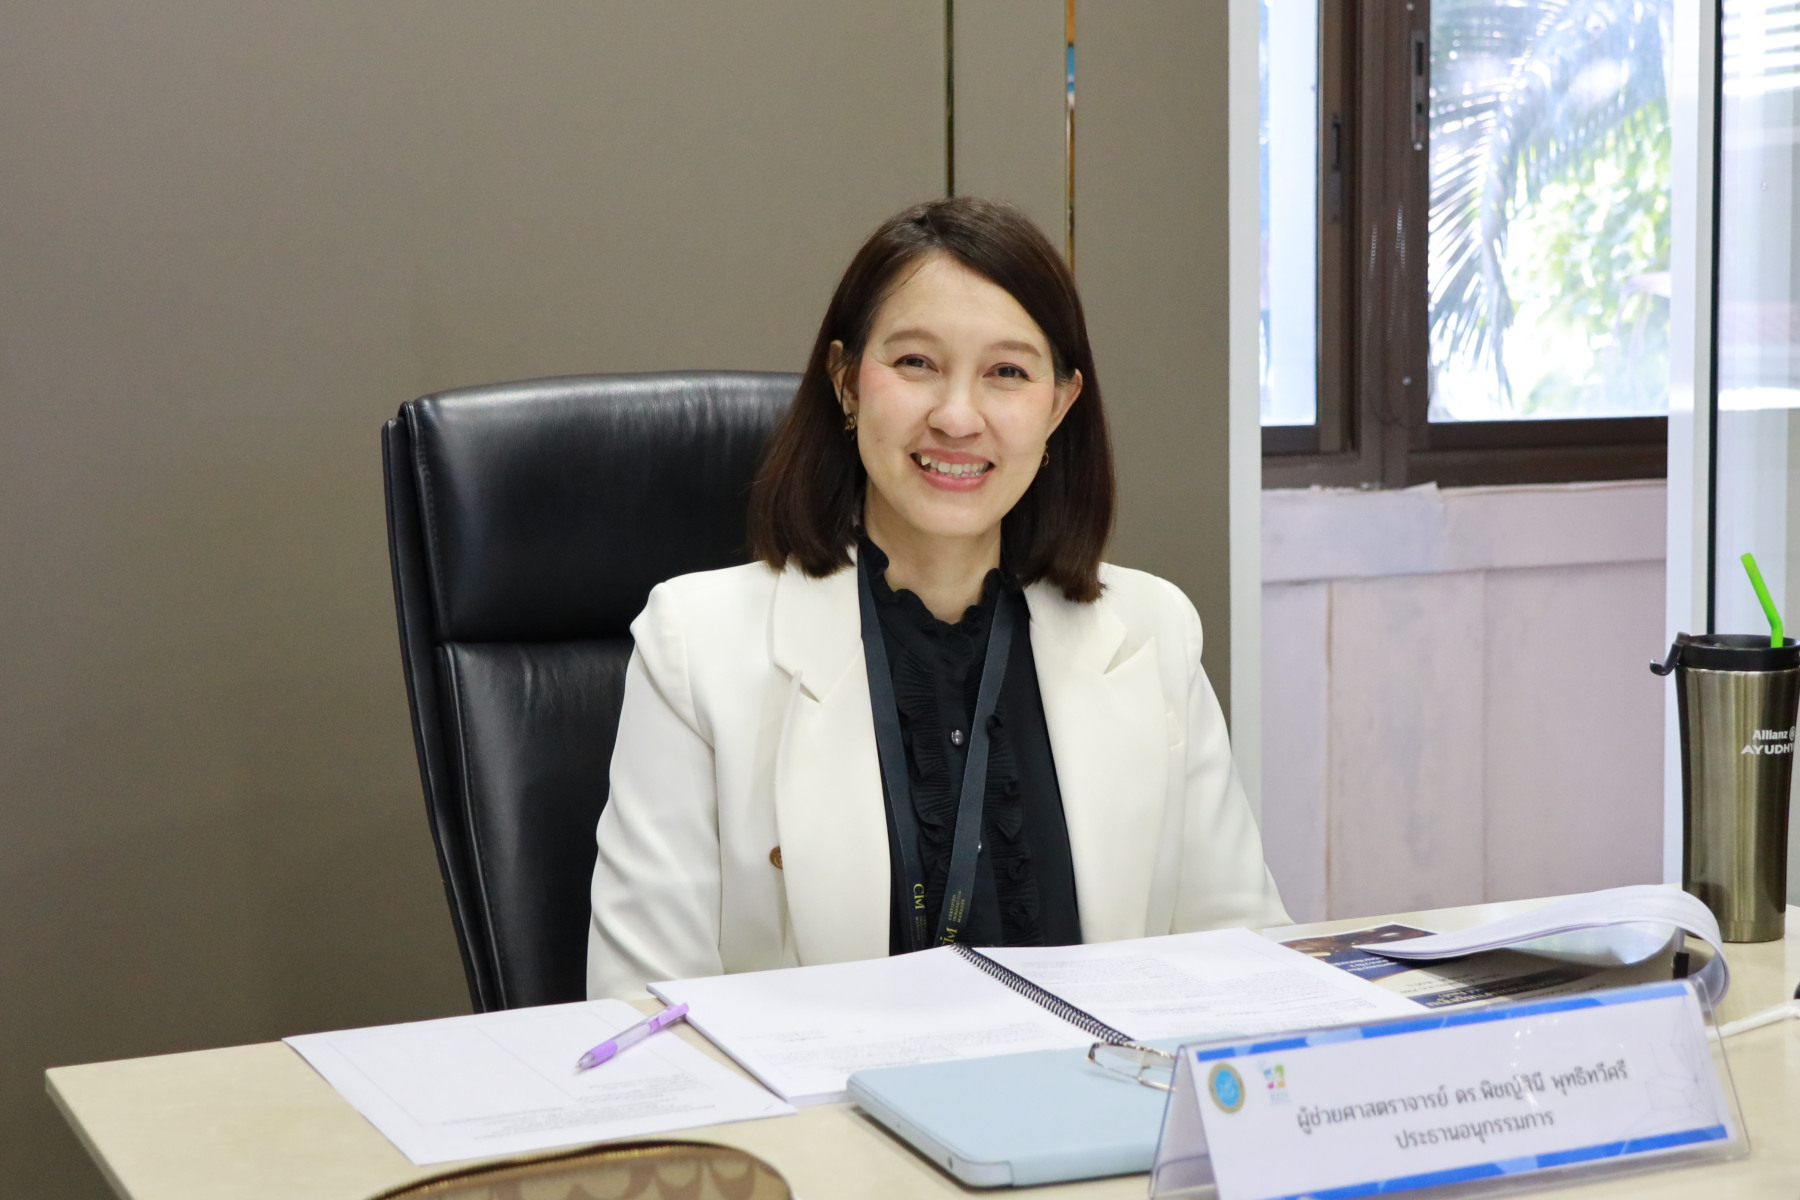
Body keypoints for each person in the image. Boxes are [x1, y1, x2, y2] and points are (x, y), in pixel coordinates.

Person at [587, 196, 1287, 1000]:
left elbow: (1249, 972)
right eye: (916, 363)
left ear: (1060, 405)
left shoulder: (1151, 632)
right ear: (847, 382)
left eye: (1007, 373)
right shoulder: (697, 646)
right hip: (824, 1087)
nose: (957, 417)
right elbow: (638, 1013)